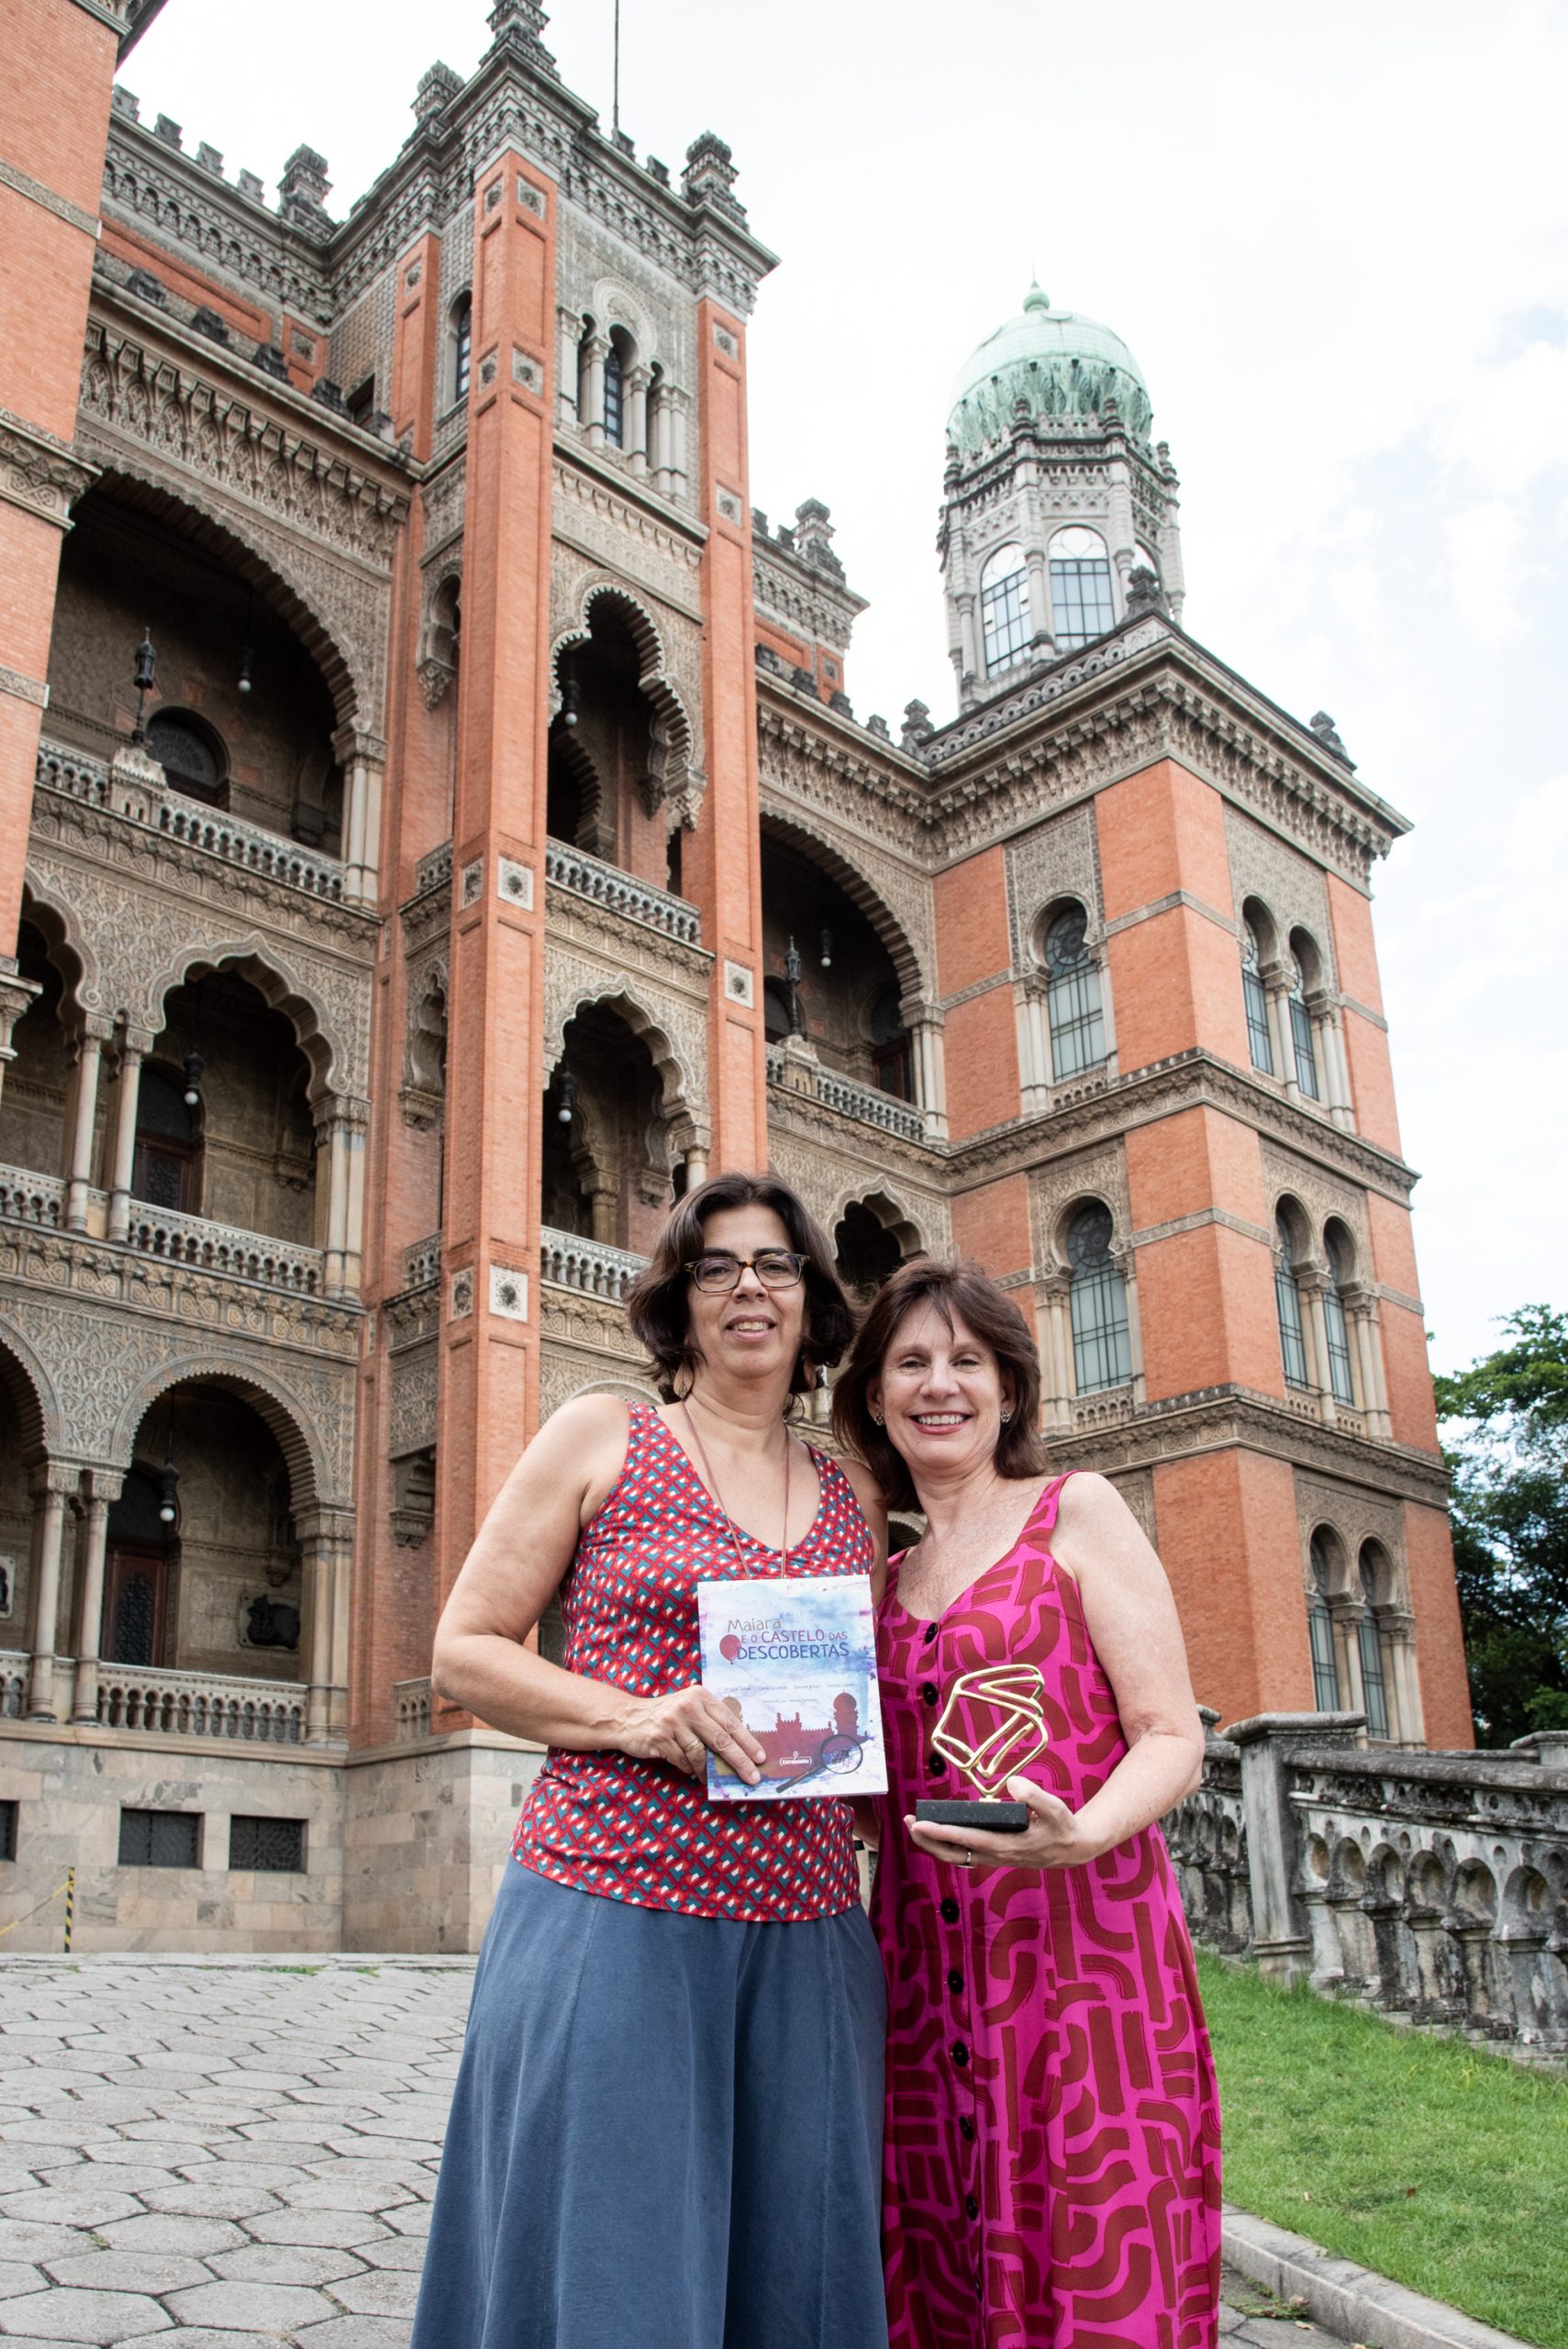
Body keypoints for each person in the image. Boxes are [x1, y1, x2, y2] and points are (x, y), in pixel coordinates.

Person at [409, 1173, 891, 2349]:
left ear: (814, 1301)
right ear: (678, 1303)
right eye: (714, 1266)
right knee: (616, 2257)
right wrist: (636, 1718)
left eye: (774, 1265)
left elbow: (861, 1711)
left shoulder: (852, 1489)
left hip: (807, 1927)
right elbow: (462, 1653)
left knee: (798, 2261)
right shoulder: (606, 1432)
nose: (746, 1288)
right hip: (615, 1910)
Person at [833, 1256, 1221, 2349]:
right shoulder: (879, 1583)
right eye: (909, 1362)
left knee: (1094, 2254)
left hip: (1084, 1960)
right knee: (936, 2258)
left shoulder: (1074, 1513)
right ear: (874, 1397)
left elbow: (1170, 1736)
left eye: (965, 1359)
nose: (937, 1383)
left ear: (1007, 1387)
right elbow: (877, 1795)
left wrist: (1083, 1832)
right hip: (918, 1976)